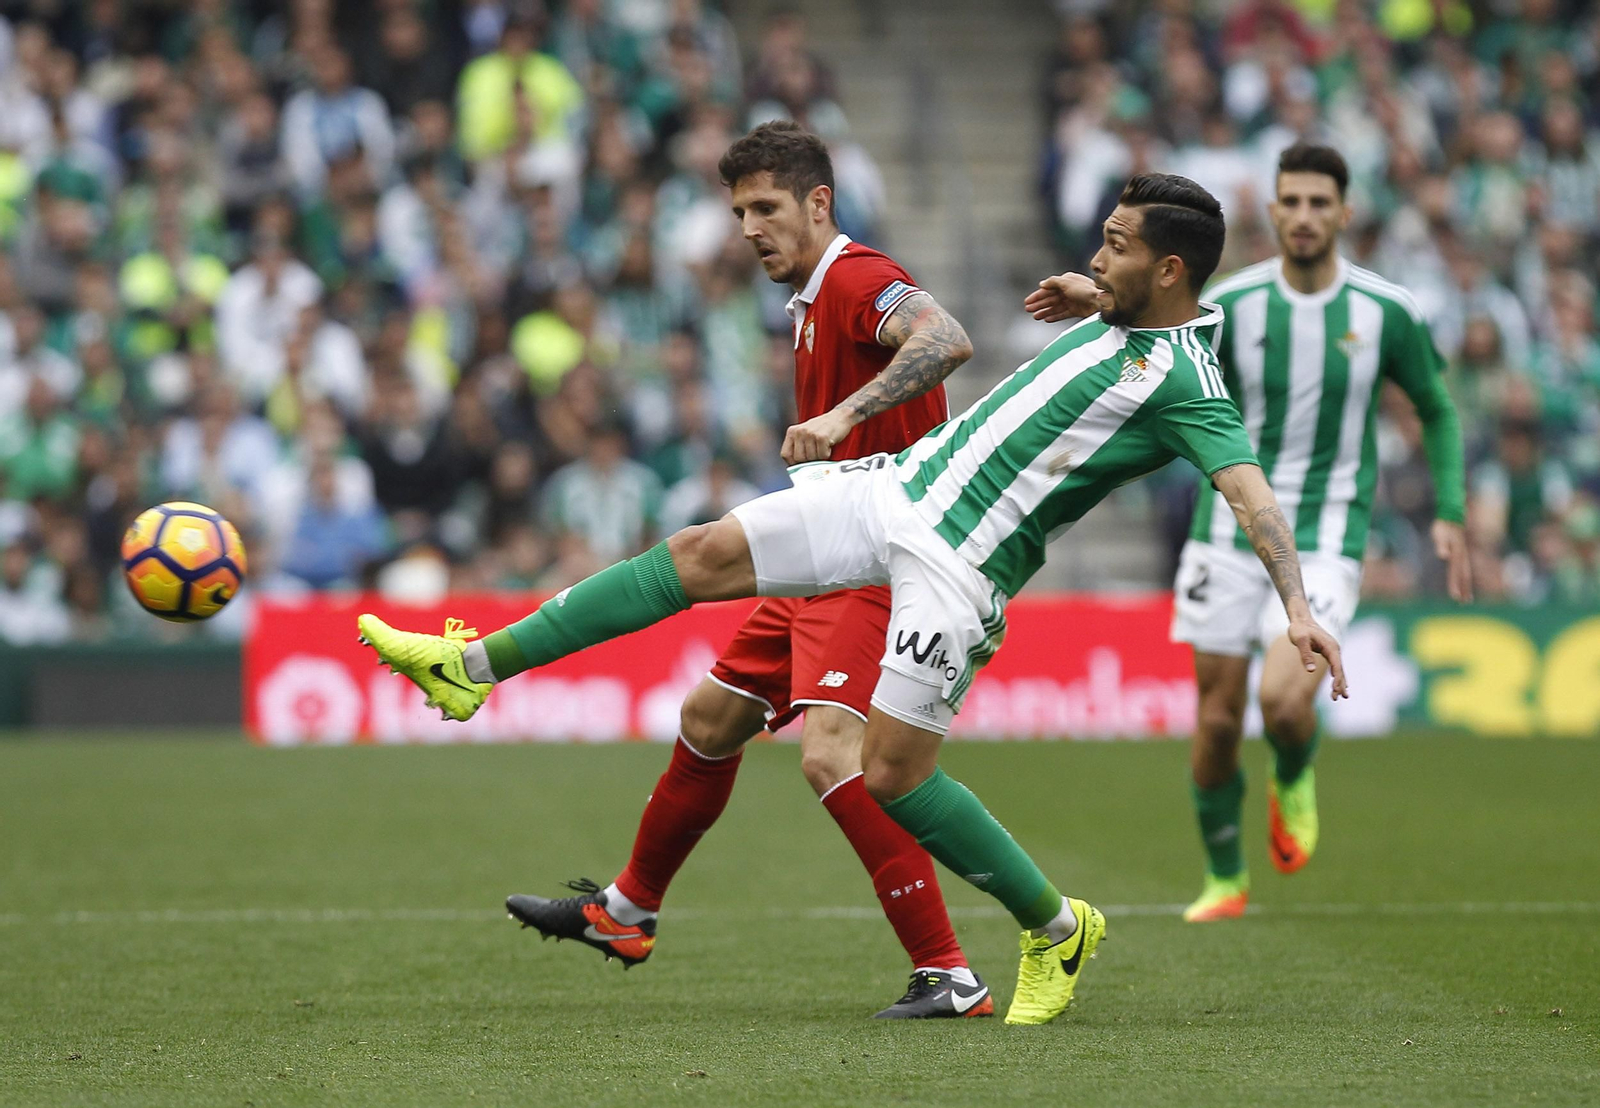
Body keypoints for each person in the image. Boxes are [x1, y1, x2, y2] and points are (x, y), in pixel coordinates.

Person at [358, 173, 1349, 1027]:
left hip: (956, 568)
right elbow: (1128, 307)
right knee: (699, 552)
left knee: (893, 775)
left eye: (1116, 246)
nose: (1098, 255)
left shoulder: (1188, 384)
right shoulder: (1130, 310)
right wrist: (1093, 287)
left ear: (1168, 270)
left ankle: (1057, 928)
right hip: (895, 491)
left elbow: (1250, 494)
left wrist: (1297, 609)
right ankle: (471, 665)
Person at [545, 119, 991, 1021]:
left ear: (819, 203)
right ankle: (627, 912)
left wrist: (841, 417)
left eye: (766, 208)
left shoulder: (857, 277)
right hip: (825, 552)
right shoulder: (809, 300)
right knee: (710, 720)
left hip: (876, 558)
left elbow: (945, 338)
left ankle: (948, 972)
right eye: (739, 211)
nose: (749, 228)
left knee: (831, 755)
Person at [1030, 145, 1467, 923]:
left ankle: (1293, 770)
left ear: (1344, 213)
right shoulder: (1238, 303)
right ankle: (1225, 877)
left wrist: (1452, 510)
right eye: (1290, 201)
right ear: (1272, 210)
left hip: (1326, 533)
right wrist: (1094, 295)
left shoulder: (1385, 310)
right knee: (1220, 719)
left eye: (1318, 202)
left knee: (1284, 701)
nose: (1303, 216)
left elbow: (1434, 406)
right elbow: (1165, 324)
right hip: (1224, 532)